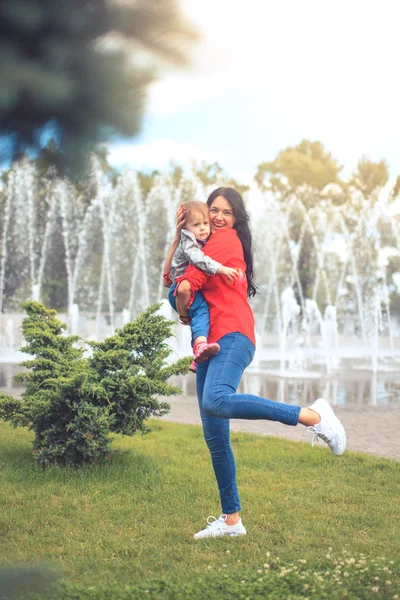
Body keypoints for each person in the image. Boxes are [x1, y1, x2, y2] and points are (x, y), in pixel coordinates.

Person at [170, 187, 346, 540]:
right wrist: (179, 235)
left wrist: (185, 305)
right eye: (212, 211)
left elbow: (186, 286)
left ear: (236, 219)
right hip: (211, 344)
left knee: (215, 400)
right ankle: (231, 521)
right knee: (215, 437)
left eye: (226, 212)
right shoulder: (200, 245)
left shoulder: (226, 241)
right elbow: (171, 280)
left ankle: (313, 416)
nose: (218, 218)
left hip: (231, 335)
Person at [163, 200, 240, 371]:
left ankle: (196, 356)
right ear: (186, 228)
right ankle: (199, 348)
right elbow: (199, 260)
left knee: (200, 318)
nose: (203, 228)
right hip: (179, 290)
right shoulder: (190, 243)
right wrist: (222, 270)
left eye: (205, 223)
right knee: (202, 311)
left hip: (181, 290)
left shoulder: (206, 239)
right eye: (197, 225)